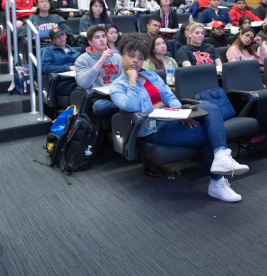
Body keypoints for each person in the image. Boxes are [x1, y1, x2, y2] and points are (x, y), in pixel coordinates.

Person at [110, 33, 248, 201]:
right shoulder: (117, 86)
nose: (135, 61)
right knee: (209, 135)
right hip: (151, 128)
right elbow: (131, 107)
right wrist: (132, 80)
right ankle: (217, 181)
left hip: (170, 119)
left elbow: (170, 97)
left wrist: (179, 113)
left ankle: (220, 157)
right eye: (131, 56)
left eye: (140, 58)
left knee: (210, 107)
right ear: (122, 56)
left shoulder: (151, 76)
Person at [75, 26, 122, 126]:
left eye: (103, 36)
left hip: (117, 94)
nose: (101, 39)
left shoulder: (117, 57)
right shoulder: (82, 60)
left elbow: (125, 79)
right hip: (98, 98)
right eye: (97, 37)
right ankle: (125, 107)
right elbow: (83, 84)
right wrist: (101, 61)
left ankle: (124, 107)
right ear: (90, 42)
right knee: (99, 107)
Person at [41, 27, 80, 96]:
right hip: (61, 83)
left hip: (77, 80)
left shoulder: (74, 52)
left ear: (65, 36)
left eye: (62, 35)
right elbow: (46, 67)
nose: (61, 38)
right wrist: (69, 68)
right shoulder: (49, 50)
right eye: (57, 37)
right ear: (52, 41)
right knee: (79, 91)